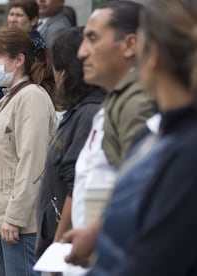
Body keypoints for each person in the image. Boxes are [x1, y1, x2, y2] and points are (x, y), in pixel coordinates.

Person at [75, 0, 197, 274]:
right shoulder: (166, 136)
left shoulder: (185, 153)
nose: (82, 53)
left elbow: (155, 257)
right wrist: (99, 234)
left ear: (150, 52)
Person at [60, 0, 156, 271]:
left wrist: (97, 235)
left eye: (92, 38)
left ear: (130, 45)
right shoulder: (115, 100)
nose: (81, 53)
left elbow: (144, 191)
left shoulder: (136, 105)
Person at [0, 26, 57, 276]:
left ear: (19, 60)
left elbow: (33, 161)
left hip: (20, 224)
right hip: (4, 220)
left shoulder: (31, 97)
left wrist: (15, 217)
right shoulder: (7, 99)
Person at [35, 27, 105, 261]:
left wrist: (57, 251)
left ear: (64, 72)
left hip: (65, 249)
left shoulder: (88, 115)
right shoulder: (79, 112)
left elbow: (75, 186)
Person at [0, 0, 57, 132]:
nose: (13, 19)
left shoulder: (34, 47)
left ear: (34, 20)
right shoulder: (9, 43)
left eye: (19, 15)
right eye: (11, 14)